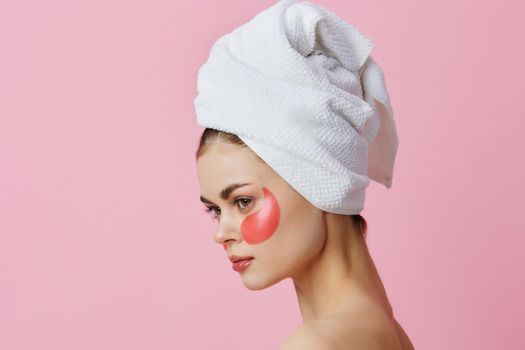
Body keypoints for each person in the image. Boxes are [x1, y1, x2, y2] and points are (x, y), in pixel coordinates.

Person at [193, 1, 415, 348]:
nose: (221, 233)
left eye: (243, 201)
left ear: (320, 179)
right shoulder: (383, 332)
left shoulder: (320, 343)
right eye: (215, 210)